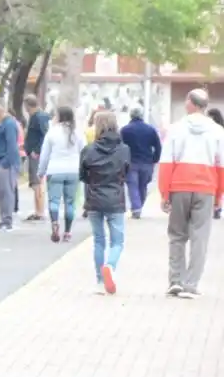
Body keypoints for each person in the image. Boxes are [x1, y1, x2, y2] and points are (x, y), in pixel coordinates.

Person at [158, 89, 224, 298]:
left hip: (179, 186)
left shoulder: (175, 129)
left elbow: (166, 162)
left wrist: (164, 193)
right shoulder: (218, 131)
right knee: (200, 237)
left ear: (190, 103)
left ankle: (175, 281)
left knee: (177, 235)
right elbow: (221, 165)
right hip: (206, 187)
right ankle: (191, 284)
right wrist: (219, 195)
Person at [80, 111, 130, 295]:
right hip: (115, 199)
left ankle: (100, 281)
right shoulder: (124, 149)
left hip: (94, 198)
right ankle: (110, 266)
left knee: (99, 240)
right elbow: (126, 171)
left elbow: (83, 176)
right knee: (117, 241)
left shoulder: (88, 150)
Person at [37, 105, 86, 244]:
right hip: (73, 171)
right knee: (70, 203)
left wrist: (41, 172)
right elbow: (84, 152)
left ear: (59, 116)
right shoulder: (78, 132)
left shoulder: (52, 132)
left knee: (54, 201)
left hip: (55, 170)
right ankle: (68, 232)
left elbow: (45, 155)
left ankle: (54, 223)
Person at [119, 106, 161, 219]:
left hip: (130, 162)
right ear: (141, 115)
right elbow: (158, 146)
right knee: (143, 186)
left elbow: (119, 147)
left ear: (131, 116)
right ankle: (138, 206)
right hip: (147, 162)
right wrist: (155, 159)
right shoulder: (150, 129)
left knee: (132, 186)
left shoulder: (125, 130)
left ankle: (136, 208)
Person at [0, 98, 22, 231]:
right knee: (2, 192)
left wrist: (7, 163)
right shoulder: (3, 123)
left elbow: (12, 145)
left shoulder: (9, 124)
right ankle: (4, 219)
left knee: (6, 191)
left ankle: (7, 220)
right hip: (1, 161)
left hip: (6, 162)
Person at [23, 95, 50, 221]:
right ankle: (38, 210)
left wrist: (37, 150)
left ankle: (40, 211)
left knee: (37, 182)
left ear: (28, 105)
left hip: (36, 154)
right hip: (34, 152)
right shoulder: (37, 116)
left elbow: (45, 135)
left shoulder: (39, 117)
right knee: (36, 182)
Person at [209, 108, 224, 219]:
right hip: (219, 162)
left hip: (214, 162)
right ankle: (217, 207)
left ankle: (216, 207)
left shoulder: (214, 131)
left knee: (216, 185)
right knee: (219, 185)